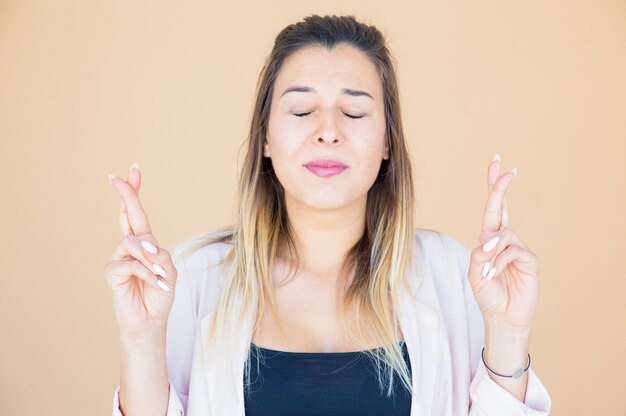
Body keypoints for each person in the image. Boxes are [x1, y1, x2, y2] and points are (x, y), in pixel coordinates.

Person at [104, 14, 552, 415]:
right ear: (264, 138)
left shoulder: (455, 277)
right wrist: (142, 341)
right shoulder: (193, 279)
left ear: (388, 143)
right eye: (302, 109)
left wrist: (508, 334)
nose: (328, 132)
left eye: (354, 111)